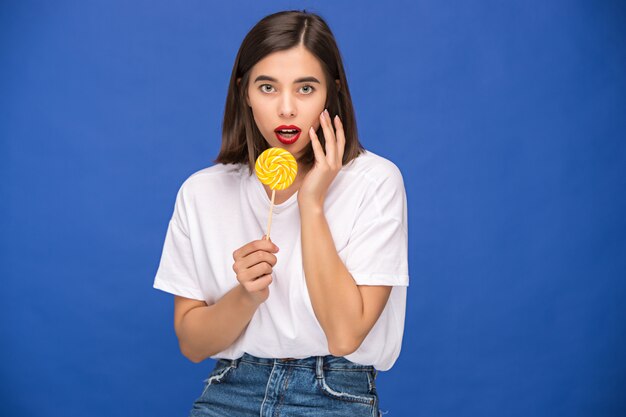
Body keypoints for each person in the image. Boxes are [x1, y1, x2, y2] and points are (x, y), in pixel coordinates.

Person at [153, 9, 409, 417]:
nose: (287, 109)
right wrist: (247, 296)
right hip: (229, 392)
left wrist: (311, 205)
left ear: (333, 93)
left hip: (334, 395)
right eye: (268, 87)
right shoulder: (202, 191)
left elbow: (344, 335)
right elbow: (191, 343)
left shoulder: (375, 182)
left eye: (306, 88)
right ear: (244, 92)